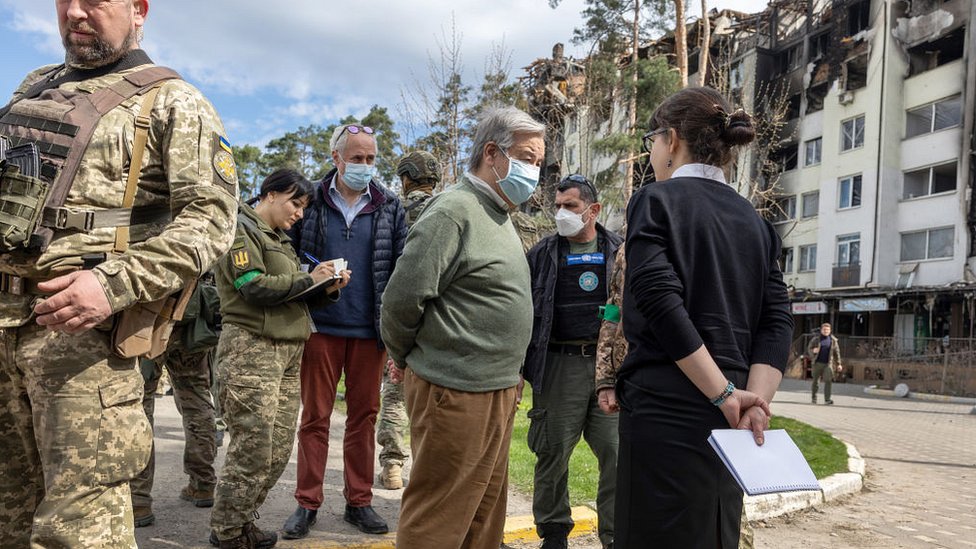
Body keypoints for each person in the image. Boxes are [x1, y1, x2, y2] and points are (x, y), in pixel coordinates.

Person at [0, 1, 238, 546]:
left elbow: (210, 223)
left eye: (95, 1)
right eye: (65, 1)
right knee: (8, 518)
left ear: (137, 9)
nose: (75, 13)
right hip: (3, 327)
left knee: (78, 530)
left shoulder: (173, 102)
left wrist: (110, 286)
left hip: (82, 347)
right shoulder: (35, 86)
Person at [617, 86, 794, 548]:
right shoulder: (757, 223)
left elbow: (659, 302)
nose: (651, 151)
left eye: (652, 139)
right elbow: (777, 319)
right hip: (734, 415)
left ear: (672, 139)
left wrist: (726, 395)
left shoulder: (654, 200)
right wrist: (751, 399)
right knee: (715, 532)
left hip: (667, 403)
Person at [381, 105, 544, 549]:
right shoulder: (453, 212)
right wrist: (405, 359)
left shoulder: (499, 214)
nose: (535, 171)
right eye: (528, 158)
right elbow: (400, 301)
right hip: (455, 390)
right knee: (440, 516)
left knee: (482, 513)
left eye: (539, 162)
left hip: (497, 388)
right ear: (492, 153)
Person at [209, 169, 348, 548]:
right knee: (252, 447)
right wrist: (308, 279)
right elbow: (250, 284)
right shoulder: (240, 229)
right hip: (252, 348)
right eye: (295, 203)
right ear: (270, 194)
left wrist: (325, 285)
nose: (299, 213)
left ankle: (243, 520)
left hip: (288, 352)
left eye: (304, 207)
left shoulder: (281, 242)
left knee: (276, 448)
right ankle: (227, 531)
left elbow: (290, 294)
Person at [282, 123, 407, 539]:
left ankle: (359, 500)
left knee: (363, 418)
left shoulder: (390, 205)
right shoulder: (311, 201)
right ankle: (307, 502)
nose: (365, 166)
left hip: (370, 333)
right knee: (315, 417)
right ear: (336, 158)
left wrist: (395, 333)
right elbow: (286, 254)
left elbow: (401, 268)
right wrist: (310, 274)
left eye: (371, 159)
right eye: (357, 159)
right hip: (320, 327)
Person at [524, 174, 622, 549]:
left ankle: (614, 535)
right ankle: (553, 533)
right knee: (552, 453)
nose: (561, 213)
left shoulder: (619, 249)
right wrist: (521, 370)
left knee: (615, 454)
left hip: (607, 370)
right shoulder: (543, 254)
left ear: (593, 210)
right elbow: (525, 313)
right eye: (558, 206)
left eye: (571, 206)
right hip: (558, 365)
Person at [373, 150, 441, 492]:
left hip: (401, 316)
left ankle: (393, 466)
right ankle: (429, 471)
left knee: (396, 393)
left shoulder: (393, 211)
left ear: (404, 178)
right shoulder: (446, 210)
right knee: (434, 399)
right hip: (438, 322)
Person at [131, 299, 219, 527]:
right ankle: (203, 484)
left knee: (140, 406)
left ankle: (138, 499)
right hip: (191, 322)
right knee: (197, 399)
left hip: (149, 321)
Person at [809, 323, 842, 404]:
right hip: (817, 363)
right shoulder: (816, 339)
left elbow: (837, 352)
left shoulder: (833, 340)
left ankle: (827, 399)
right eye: (824, 330)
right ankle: (814, 398)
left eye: (827, 330)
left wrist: (839, 364)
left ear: (830, 331)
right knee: (815, 381)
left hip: (828, 364)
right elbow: (809, 348)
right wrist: (813, 351)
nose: (826, 331)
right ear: (821, 330)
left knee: (828, 380)